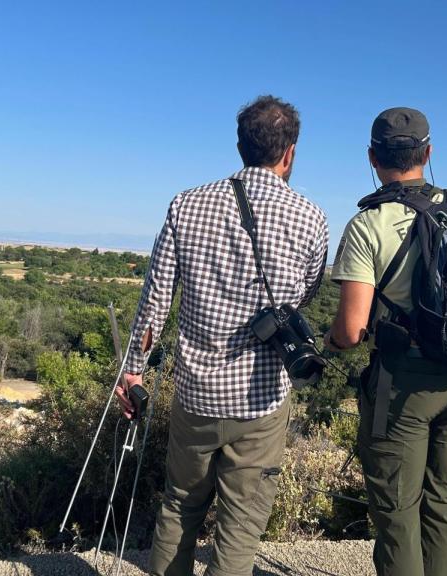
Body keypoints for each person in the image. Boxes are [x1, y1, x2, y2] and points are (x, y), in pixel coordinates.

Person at [117, 95, 329, 576]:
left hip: (196, 393)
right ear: (289, 152)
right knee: (241, 525)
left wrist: (132, 370)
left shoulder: (186, 205)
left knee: (179, 505)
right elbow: (304, 295)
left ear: (239, 146)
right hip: (262, 399)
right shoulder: (311, 217)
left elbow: (155, 300)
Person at [324, 107, 447, 576]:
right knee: (443, 501)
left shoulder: (368, 224)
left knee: (396, 512)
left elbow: (352, 330)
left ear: (373, 157)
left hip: (402, 389)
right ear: (429, 152)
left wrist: (328, 346)